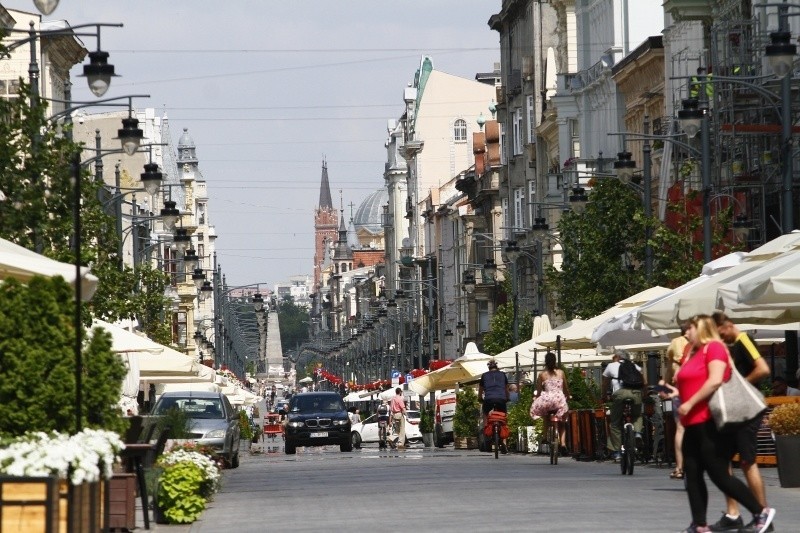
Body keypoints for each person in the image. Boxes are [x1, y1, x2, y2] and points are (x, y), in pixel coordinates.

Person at [659, 314, 775, 533]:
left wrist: (691, 402)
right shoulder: (689, 352)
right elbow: (689, 382)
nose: (686, 333)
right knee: (692, 474)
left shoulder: (715, 348)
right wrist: (671, 392)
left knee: (719, 474)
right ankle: (699, 524)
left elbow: (715, 380)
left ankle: (761, 512)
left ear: (701, 328)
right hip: (690, 420)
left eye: (689, 328)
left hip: (709, 420)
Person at [710, 312, 772, 532]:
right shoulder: (732, 346)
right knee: (723, 461)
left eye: (720, 333)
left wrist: (740, 386)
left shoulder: (744, 339)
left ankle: (763, 516)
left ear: (727, 325)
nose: (721, 338)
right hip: (735, 411)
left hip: (748, 410)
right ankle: (733, 513)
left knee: (747, 461)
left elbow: (763, 368)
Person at [602, 349, 646, 461]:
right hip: (636, 393)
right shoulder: (635, 366)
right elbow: (644, 382)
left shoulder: (611, 366)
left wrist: (603, 396)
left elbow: (605, 383)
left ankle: (617, 452)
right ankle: (637, 434)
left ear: (617, 356)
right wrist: (644, 395)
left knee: (615, 422)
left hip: (619, 394)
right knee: (637, 415)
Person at [530, 351, 570, 454]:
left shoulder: (542, 374)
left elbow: (538, 392)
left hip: (547, 400)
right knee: (562, 421)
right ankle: (563, 444)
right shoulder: (561, 373)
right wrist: (568, 396)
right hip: (559, 399)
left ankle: (544, 436)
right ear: (555, 361)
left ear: (545, 362)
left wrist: (536, 398)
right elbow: (565, 388)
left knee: (546, 416)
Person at [667, 322, 690, 480]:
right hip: (701, 389)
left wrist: (663, 388)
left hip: (681, 389)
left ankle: (680, 467)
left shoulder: (676, 342)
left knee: (681, 429)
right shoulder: (704, 342)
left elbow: (670, 367)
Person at [479, 359, 509, 453]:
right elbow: (506, 389)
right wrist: (507, 398)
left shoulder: (484, 376)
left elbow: (480, 391)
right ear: (497, 367)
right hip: (501, 399)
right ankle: (504, 442)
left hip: (488, 400)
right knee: (503, 419)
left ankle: (487, 438)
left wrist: (480, 398)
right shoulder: (503, 375)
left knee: (485, 415)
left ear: (489, 367)